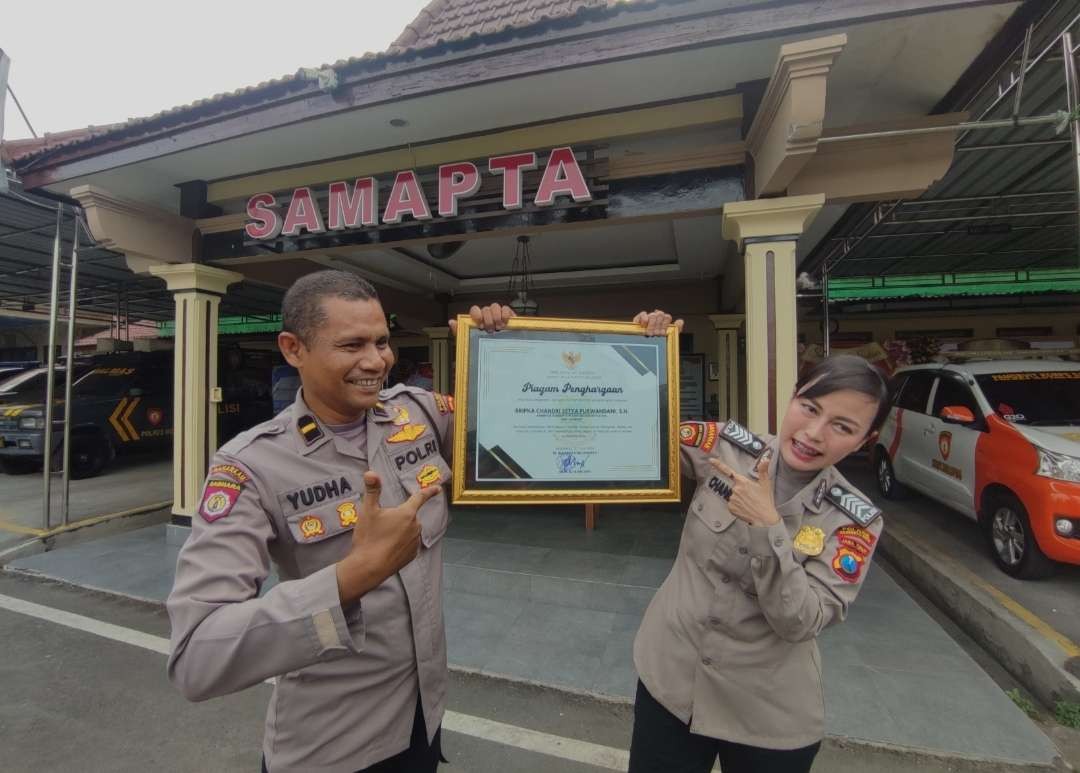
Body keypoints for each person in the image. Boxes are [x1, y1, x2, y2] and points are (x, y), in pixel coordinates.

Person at [165, 270, 513, 773]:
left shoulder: (418, 413)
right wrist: (352, 578)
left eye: (382, 342)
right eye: (351, 345)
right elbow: (196, 658)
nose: (376, 361)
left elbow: (522, 424)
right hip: (331, 748)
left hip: (423, 720)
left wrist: (500, 348)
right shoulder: (249, 467)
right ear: (293, 349)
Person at [627, 325, 891, 773]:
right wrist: (642, 345)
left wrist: (768, 525)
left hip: (765, 714)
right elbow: (624, 428)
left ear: (864, 441)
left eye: (842, 427)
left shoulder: (853, 520)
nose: (814, 432)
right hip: (670, 681)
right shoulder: (726, 447)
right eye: (809, 407)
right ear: (792, 398)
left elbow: (801, 621)